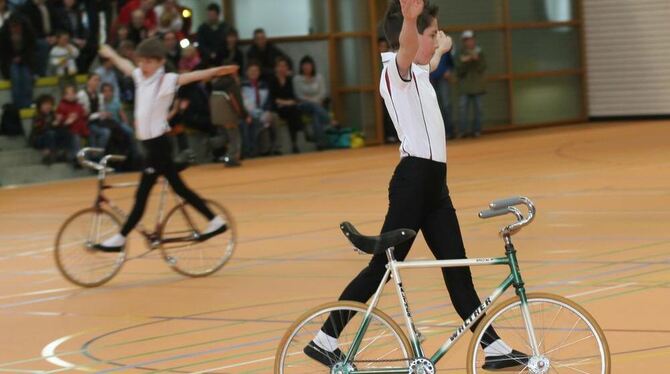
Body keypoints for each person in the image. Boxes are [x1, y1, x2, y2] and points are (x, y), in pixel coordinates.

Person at [304, 1, 527, 371]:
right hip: (413, 183)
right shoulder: (396, 69)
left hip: (434, 187)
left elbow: (429, 58)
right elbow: (408, 49)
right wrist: (410, 20)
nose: (436, 36)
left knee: (458, 271)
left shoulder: (420, 71)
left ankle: (495, 348)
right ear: (406, 39)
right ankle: (325, 338)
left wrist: (440, 45)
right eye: (431, 32)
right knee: (381, 268)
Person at [94, 38, 237, 251]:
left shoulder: (166, 80)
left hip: (159, 146)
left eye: (149, 62)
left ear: (160, 62)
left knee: (142, 195)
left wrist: (217, 70)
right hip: (151, 147)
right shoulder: (140, 78)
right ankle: (215, 221)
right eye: (141, 61)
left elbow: (193, 76)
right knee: (179, 188)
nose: (143, 66)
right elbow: (125, 65)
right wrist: (111, 53)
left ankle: (121, 238)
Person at [240, 61, 278, 158]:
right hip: (249, 113)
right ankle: (257, 150)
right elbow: (244, 103)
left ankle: (275, 148)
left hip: (262, 111)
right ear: (246, 72)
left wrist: (267, 111)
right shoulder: (242, 85)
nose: (254, 72)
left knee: (273, 117)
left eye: (256, 70)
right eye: (251, 70)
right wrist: (256, 114)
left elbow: (268, 101)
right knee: (258, 122)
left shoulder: (263, 85)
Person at [293, 55, 330, 150]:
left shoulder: (319, 77)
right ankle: (330, 120)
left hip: (317, 106)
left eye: (308, 65)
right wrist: (315, 101)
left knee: (316, 115)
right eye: (304, 65)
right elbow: (299, 95)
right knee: (314, 107)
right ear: (301, 67)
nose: (306, 67)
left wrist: (316, 101)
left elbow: (323, 92)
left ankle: (320, 144)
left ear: (312, 66)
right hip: (303, 105)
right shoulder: (297, 79)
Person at [0, 14, 36, 109]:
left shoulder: (28, 32)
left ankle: (27, 104)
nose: (15, 29)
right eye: (13, 27)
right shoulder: (4, 33)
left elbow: (31, 48)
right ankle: (18, 105)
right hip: (10, 61)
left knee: (27, 80)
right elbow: (3, 52)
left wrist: (22, 57)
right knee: (15, 80)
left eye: (17, 26)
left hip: (25, 59)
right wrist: (12, 59)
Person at [269, 56, 303, 154]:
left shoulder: (289, 80)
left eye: (284, 66)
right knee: (293, 110)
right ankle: (301, 130)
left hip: (288, 108)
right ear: (276, 68)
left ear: (287, 68)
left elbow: (293, 96)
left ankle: (294, 143)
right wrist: (285, 102)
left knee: (293, 111)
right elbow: (273, 98)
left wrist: (286, 102)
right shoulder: (272, 80)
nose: (282, 68)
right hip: (277, 108)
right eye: (279, 66)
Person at [456, 30, 486, 138]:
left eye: (471, 39)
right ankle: (462, 131)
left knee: (479, 109)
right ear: (464, 42)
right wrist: (466, 61)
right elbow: (458, 70)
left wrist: (476, 60)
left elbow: (483, 67)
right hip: (464, 86)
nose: (469, 42)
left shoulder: (479, 51)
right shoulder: (460, 53)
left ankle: (477, 130)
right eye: (467, 40)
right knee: (463, 109)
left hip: (478, 86)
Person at [29, 94, 71, 165]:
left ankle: (63, 153)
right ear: (40, 106)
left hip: (51, 137)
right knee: (50, 133)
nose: (48, 106)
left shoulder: (53, 114)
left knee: (64, 132)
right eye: (45, 104)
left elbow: (58, 128)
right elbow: (39, 130)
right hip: (39, 138)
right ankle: (49, 155)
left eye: (50, 104)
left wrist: (63, 123)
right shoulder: (37, 115)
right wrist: (52, 125)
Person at [77, 74, 112, 150]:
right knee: (104, 132)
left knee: (113, 128)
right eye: (95, 80)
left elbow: (101, 111)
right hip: (86, 123)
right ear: (88, 81)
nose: (97, 82)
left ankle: (97, 154)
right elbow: (84, 114)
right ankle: (96, 155)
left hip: (97, 122)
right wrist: (99, 114)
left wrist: (105, 115)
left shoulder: (100, 96)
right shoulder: (81, 95)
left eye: (98, 80)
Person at [55, 84, 87, 165]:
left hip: (80, 129)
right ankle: (75, 158)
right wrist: (67, 120)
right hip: (68, 131)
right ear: (64, 95)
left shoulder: (79, 106)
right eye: (68, 93)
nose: (71, 95)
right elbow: (59, 121)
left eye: (72, 93)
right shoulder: (61, 106)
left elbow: (83, 116)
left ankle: (94, 157)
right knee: (75, 137)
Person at [430, 43, 455, 138]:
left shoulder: (443, 47)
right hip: (430, 78)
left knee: (446, 104)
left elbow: (451, 62)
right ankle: (436, 134)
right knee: (433, 106)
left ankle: (449, 131)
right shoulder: (425, 45)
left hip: (443, 78)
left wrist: (449, 70)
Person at [378, 36, 398, 143]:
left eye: (384, 45)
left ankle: (395, 135)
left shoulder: (392, 57)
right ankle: (389, 135)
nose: (383, 47)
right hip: (382, 89)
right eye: (381, 46)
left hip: (393, 89)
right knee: (385, 113)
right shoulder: (375, 59)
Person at [195, 2, 226, 67]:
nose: (210, 17)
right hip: (206, 57)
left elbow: (224, 42)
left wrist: (216, 53)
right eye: (209, 15)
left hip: (221, 57)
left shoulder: (224, 27)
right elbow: (200, 43)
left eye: (213, 15)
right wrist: (209, 53)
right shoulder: (202, 28)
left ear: (218, 15)